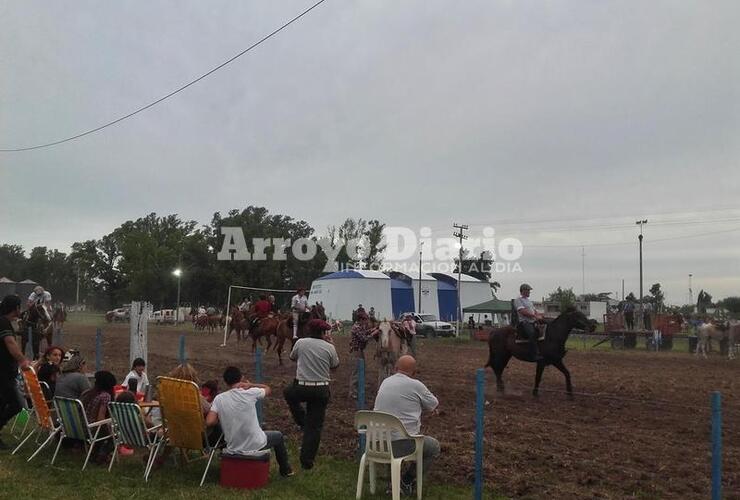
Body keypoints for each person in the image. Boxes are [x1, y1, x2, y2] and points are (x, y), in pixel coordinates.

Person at [206, 366, 293, 477]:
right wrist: (251, 385)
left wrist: (223, 416)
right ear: (241, 378)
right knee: (278, 436)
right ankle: (286, 471)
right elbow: (268, 389)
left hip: (233, 446)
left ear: (225, 382)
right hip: (255, 444)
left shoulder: (219, 399)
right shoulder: (251, 393)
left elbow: (209, 422)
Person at [373, 355, 440, 494]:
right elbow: (433, 404)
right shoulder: (416, 385)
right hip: (401, 446)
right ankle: (406, 481)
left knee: (393, 435)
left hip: (377, 443)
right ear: (414, 373)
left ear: (396, 368)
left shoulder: (385, 382)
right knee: (433, 447)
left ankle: (393, 483)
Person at [283, 319, 339, 470]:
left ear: (309, 330)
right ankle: (307, 461)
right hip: (321, 390)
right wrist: (331, 344)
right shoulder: (329, 347)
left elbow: (292, 357)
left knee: (288, 392)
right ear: (323, 332)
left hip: (301, 386)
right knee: (314, 427)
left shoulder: (301, 342)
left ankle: (301, 419)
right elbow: (334, 366)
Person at [0, 295, 30, 449]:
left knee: (3, 401)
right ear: (16, 307)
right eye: (20, 306)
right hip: (4, 371)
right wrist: (22, 360)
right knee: (16, 404)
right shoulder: (4, 322)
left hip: (4, 371)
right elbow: (10, 343)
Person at [81, 370, 116, 463]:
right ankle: (102, 454)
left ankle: (95, 452)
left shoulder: (89, 393)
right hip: (92, 429)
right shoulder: (105, 396)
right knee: (115, 433)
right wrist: (110, 426)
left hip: (82, 427)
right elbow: (100, 419)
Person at [514, 284, 543, 360]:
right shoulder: (518, 300)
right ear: (523, 291)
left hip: (533, 321)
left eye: (529, 290)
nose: (529, 292)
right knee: (532, 334)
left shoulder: (529, 301)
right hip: (524, 322)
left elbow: (535, 311)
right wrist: (534, 316)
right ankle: (534, 354)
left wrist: (539, 315)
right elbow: (522, 311)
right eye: (528, 290)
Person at [349, 316, 374, 399]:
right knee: (356, 371)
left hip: (359, 351)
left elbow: (365, 332)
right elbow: (364, 338)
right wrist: (373, 334)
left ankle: (357, 389)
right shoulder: (356, 328)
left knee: (361, 370)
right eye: (366, 320)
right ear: (361, 319)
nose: (367, 322)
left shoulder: (359, 327)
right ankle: (353, 392)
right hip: (357, 351)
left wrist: (373, 330)